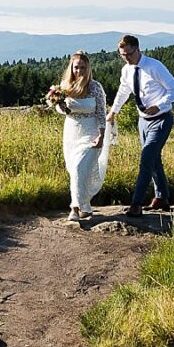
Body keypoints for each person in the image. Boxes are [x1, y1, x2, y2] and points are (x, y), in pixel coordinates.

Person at [108, 34, 174, 216]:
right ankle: (162, 197)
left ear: (138, 49)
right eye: (122, 55)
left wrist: (159, 106)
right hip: (143, 121)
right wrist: (113, 112)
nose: (126, 58)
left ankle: (136, 203)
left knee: (146, 158)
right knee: (154, 159)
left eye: (129, 54)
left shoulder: (155, 67)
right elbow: (124, 90)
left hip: (161, 119)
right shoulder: (127, 70)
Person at [45, 50, 113, 222]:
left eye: (83, 67)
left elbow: (100, 113)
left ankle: (75, 208)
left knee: (80, 168)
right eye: (76, 67)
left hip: (91, 133)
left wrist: (102, 135)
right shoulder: (65, 87)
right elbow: (59, 109)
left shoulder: (95, 87)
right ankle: (86, 207)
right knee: (75, 170)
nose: (79, 71)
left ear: (88, 68)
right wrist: (61, 106)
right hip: (72, 132)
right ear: (71, 67)